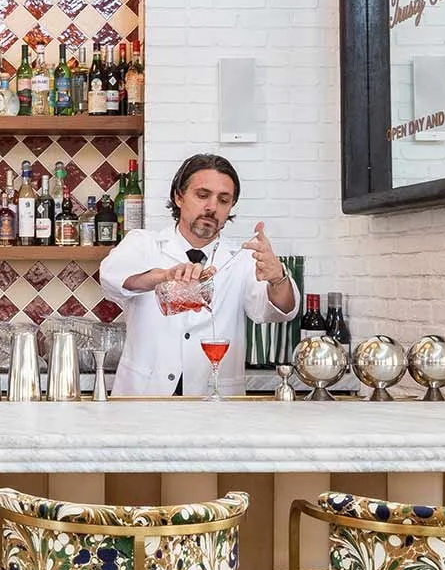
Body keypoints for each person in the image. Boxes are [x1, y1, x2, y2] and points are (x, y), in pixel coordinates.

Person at [98, 154, 299, 397]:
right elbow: (111, 277)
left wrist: (278, 278)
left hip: (216, 399)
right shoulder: (142, 243)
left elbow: (279, 311)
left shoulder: (243, 258)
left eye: (223, 200)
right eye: (202, 195)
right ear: (179, 197)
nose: (212, 207)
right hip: (144, 396)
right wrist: (162, 277)